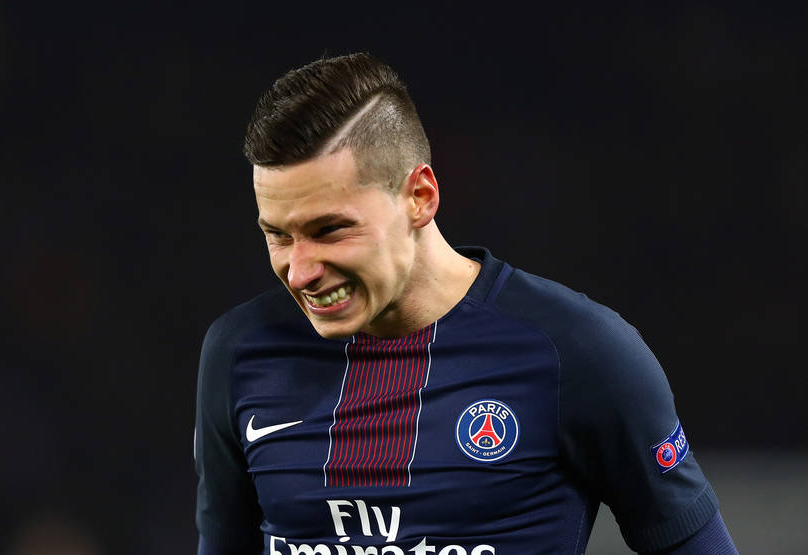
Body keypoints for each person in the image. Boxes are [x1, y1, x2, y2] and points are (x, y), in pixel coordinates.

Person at [194, 53, 737, 555]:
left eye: (330, 230)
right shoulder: (239, 353)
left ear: (420, 197)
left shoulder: (577, 351)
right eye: (278, 235)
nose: (300, 270)